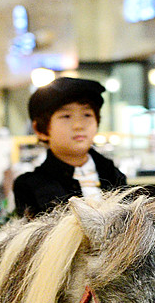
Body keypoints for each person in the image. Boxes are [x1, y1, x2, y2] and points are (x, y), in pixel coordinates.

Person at [13, 77, 127, 219]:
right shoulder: (30, 186)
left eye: (87, 114)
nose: (79, 125)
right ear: (40, 130)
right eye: (66, 116)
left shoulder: (114, 175)